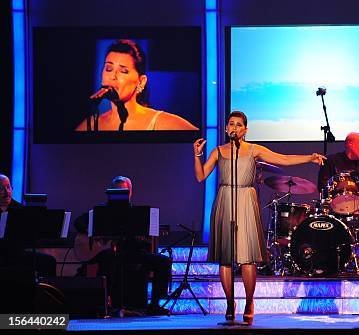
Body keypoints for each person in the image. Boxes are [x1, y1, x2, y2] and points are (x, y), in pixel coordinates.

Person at [193, 111, 325, 324]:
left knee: (247, 257)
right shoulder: (218, 151)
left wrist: (309, 157)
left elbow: (283, 159)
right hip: (225, 199)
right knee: (226, 259)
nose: (234, 127)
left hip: (245, 198)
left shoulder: (254, 150)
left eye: (238, 124)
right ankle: (229, 302)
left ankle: (248, 302)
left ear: (245, 130)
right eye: (231, 124)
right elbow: (200, 176)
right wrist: (197, 156)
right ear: (226, 129)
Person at [86, 176, 172, 316]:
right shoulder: (102, 211)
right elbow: (79, 222)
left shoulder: (137, 213)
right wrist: (95, 232)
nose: (121, 194)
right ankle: (105, 304)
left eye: (124, 191)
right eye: (117, 191)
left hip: (132, 253)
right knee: (108, 260)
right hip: (111, 254)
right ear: (111, 192)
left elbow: (142, 239)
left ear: (130, 192)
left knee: (164, 261)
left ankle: (154, 304)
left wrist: (141, 238)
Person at [75, 39, 198, 131]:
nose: (113, 76)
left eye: (123, 71)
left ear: (141, 81)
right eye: (108, 69)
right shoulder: (90, 125)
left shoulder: (162, 123)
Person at [0, 174, 57, 278]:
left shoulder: (20, 209)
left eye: (8, 187)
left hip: (16, 254)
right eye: (1, 189)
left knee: (49, 261)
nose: (6, 192)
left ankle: (44, 293)